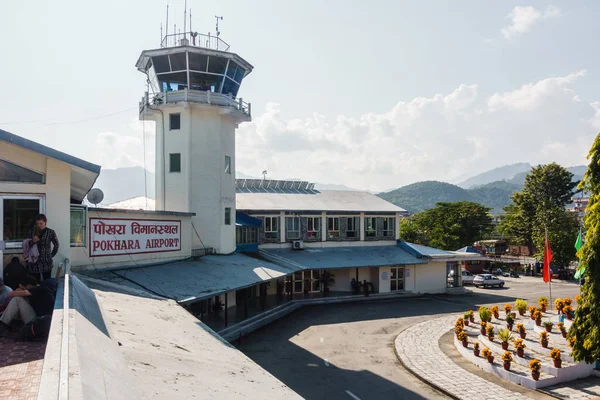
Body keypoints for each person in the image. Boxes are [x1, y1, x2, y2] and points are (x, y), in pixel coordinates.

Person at [29, 214, 59, 283]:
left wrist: (51, 255)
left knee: (47, 281)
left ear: (45, 222)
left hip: (46, 262)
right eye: (37, 223)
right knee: (35, 282)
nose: (39, 225)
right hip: (34, 262)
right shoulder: (32, 232)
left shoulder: (50, 232)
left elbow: (56, 245)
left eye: (41, 223)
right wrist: (33, 241)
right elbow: (26, 244)